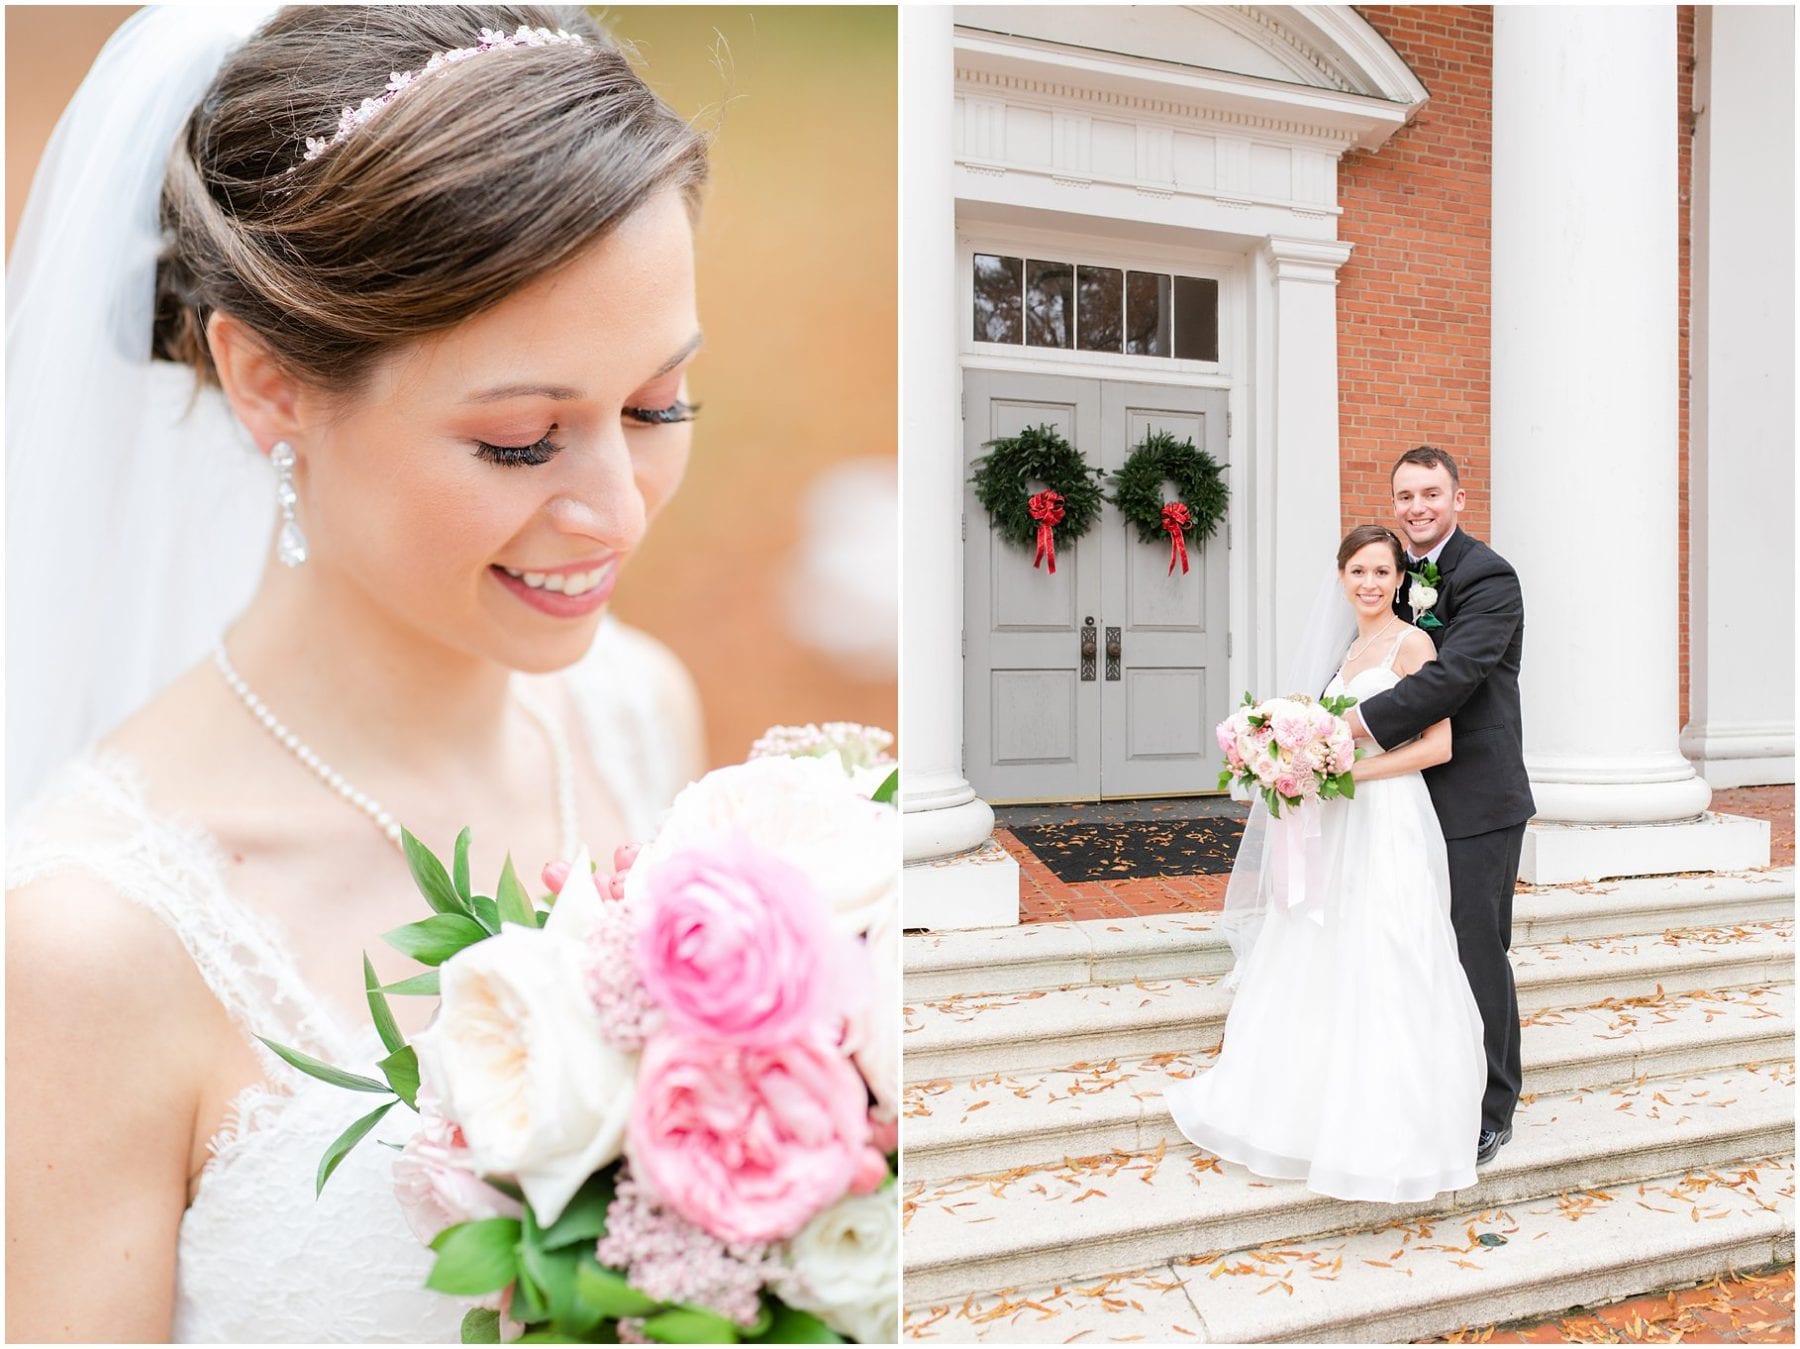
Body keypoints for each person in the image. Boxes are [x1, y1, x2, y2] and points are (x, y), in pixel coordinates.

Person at [6, 7, 709, 1340]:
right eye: (521, 438)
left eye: (657, 405)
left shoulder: (638, 713)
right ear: (269, 381)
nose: (616, 508)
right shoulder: (94, 945)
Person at [1164, 525, 1485, 1203]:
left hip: (1386, 812)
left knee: (1388, 947)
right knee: (1321, 948)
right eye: (1358, 570)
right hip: (1338, 817)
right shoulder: (1347, 650)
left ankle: (1386, 1132)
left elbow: (1438, 746)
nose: (1369, 582)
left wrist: (1356, 774)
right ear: (1341, 577)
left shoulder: (1412, 644)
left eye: (1381, 571)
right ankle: (1302, 1115)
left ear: (1401, 578)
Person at [1344, 446, 1535, 1167]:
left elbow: (1455, 675)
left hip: (1478, 795)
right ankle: (1432, 1081)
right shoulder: (1393, 573)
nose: (1417, 506)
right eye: (1405, 495)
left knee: (1474, 943)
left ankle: (1494, 1104)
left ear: (1459, 497)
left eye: (1431, 492)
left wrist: (1352, 728)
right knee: (1418, 944)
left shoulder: (1488, 576)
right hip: (1402, 801)